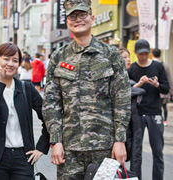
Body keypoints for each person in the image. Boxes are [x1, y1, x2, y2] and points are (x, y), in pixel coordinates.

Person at [42, 0, 131, 179]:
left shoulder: (111, 55)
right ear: (67, 22)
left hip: (104, 146)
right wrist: (56, 141)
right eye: (73, 16)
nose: (78, 20)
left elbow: (121, 99)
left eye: (82, 14)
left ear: (92, 17)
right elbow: (51, 103)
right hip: (69, 148)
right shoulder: (58, 57)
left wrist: (120, 140)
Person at [0, 42, 50, 180]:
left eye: (15, 60)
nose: (10, 64)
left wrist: (41, 147)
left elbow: (48, 116)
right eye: (6, 59)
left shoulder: (27, 89)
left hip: (23, 158)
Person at [128, 39, 169, 180]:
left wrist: (157, 84)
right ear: (135, 53)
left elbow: (166, 88)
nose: (143, 56)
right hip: (137, 114)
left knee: (158, 151)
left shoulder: (158, 66)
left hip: (155, 112)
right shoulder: (132, 69)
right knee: (136, 153)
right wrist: (139, 84)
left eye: (146, 53)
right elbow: (127, 92)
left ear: (149, 52)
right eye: (140, 54)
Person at [120, 47, 145, 179]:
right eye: (124, 57)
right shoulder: (113, 78)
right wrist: (137, 88)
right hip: (121, 123)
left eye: (128, 57)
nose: (128, 60)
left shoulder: (131, 76)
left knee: (136, 155)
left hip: (135, 121)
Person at [152, 48, 173, 126]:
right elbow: (169, 79)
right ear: (160, 55)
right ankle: (165, 121)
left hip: (154, 91)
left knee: (157, 107)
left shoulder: (150, 64)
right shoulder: (165, 65)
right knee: (164, 107)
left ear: (152, 54)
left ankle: (158, 120)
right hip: (164, 91)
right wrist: (171, 91)